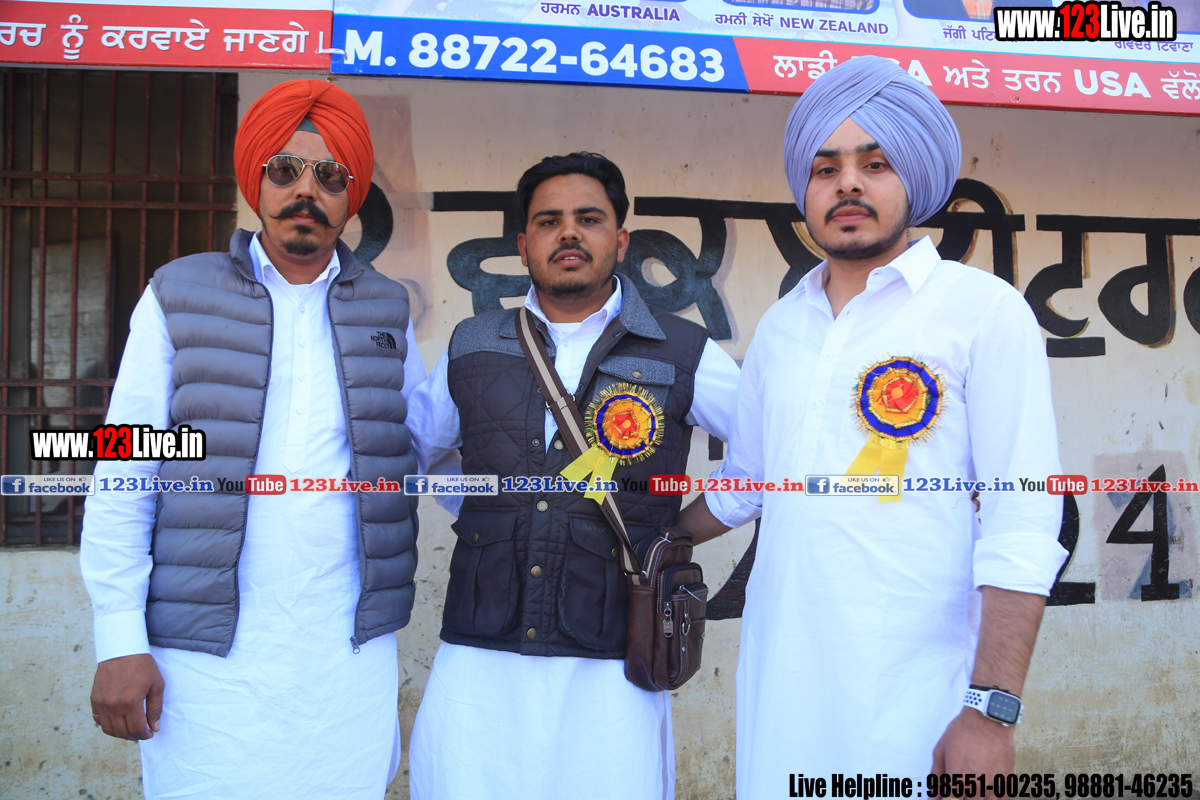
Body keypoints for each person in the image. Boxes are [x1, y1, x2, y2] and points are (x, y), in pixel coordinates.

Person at [677, 56, 1068, 793]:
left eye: (875, 163)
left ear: (912, 179)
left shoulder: (983, 310)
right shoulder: (782, 325)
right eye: (825, 168)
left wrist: (991, 712)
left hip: (920, 693)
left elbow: (1022, 517)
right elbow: (748, 482)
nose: (847, 184)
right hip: (784, 682)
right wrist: (644, 535)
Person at [80, 79, 424, 799]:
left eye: (331, 176)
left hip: (346, 649)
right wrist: (119, 637)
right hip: (204, 653)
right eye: (285, 169)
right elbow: (124, 466)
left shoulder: (387, 308)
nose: (306, 191)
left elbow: (419, 448)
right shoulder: (178, 294)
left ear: (352, 195)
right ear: (255, 181)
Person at [404, 152, 741, 800]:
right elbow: (420, 447)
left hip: (615, 653)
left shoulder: (681, 349)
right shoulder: (473, 343)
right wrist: (484, 511)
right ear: (523, 244)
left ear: (620, 240)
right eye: (548, 220)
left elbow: (763, 462)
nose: (568, 233)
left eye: (589, 219)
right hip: (481, 652)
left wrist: (673, 534)